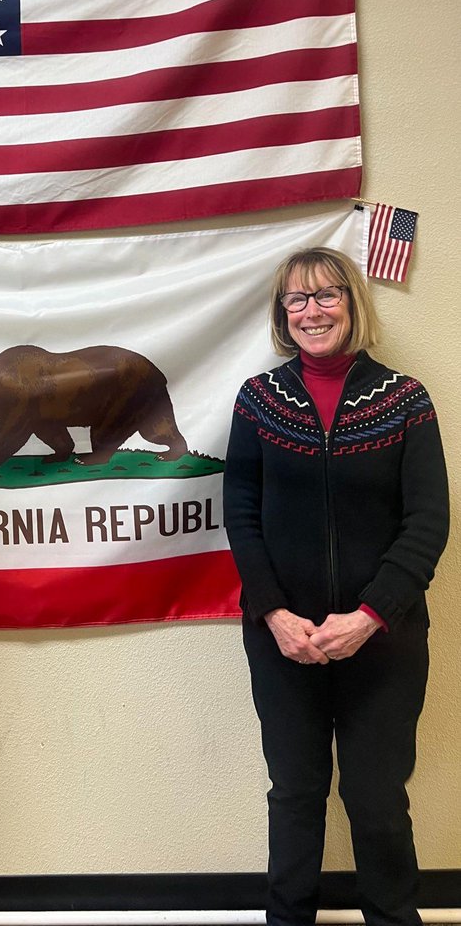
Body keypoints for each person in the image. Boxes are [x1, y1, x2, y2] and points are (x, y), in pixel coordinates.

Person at [223, 247, 449, 926]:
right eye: (298, 299)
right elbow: (240, 511)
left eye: (327, 296)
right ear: (281, 314)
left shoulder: (405, 400)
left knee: (378, 798)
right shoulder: (259, 401)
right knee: (294, 794)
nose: (313, 310)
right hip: (282, 640)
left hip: (385, 641)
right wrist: (276, 615)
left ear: (353, 304)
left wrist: (370, 615)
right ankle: (288, 919)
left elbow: (428, 520)